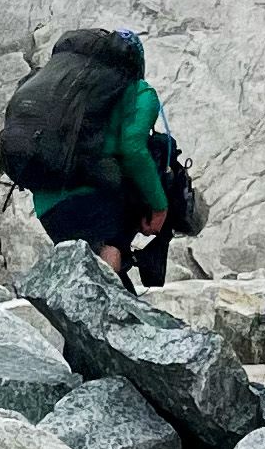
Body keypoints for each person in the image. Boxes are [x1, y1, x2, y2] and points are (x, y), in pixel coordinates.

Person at [16, 27, 175, 284]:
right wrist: (159, 206)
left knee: (89, 279)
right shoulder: (138, 91)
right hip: (93, 200)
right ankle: (109, 308)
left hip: (48, 208)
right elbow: (133, 147)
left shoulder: (66, 91)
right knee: (108, 249)